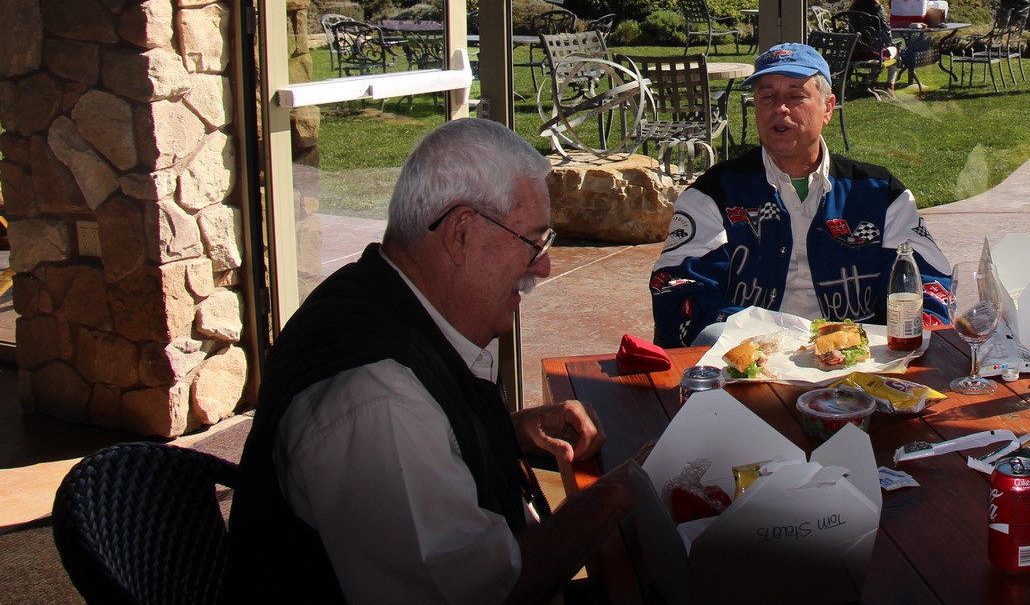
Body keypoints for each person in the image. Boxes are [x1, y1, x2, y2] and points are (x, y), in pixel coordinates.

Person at [227, 120, 642, 604]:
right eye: (534, 242)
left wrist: (507, 432)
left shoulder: (375, 293)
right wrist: (621, 492)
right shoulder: (379, 400)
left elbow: (425, 447)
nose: (543, 266)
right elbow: (488, 591)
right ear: (461, 234)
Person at [651, 42, 952, 347]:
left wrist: (915, 338)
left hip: (858, 364)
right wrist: (762, 339)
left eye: (795, 96)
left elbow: (928, 281)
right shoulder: (714, 194)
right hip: (748, 362)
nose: (779, 108)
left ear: (828, 109)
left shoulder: (881, 194)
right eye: (767, 95)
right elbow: (678, 287)